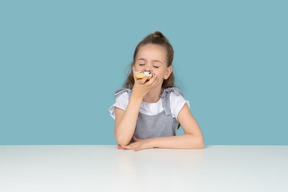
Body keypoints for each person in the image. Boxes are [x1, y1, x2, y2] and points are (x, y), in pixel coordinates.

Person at [109, 31, 204, 151]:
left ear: (166, 73)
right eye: (142, 64)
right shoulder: (124, 98)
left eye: (156, 66)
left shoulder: (173, 100)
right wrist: (137, 96)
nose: (147, 69)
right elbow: (122, 139)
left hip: (167, 165)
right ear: (134, 69)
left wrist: (149, 143)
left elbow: (197, 140)